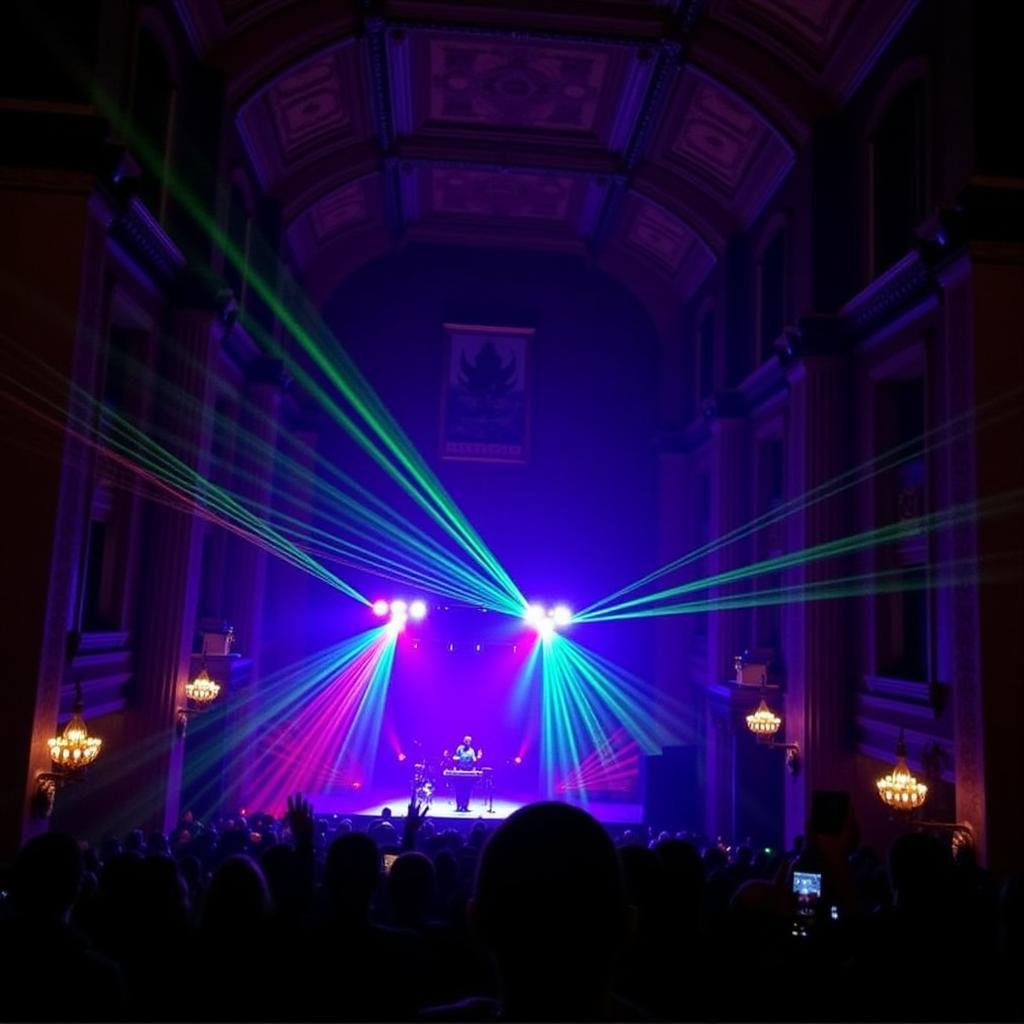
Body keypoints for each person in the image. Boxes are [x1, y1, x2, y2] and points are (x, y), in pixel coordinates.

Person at [453, 735, 482, 812]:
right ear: (463, 741)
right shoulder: (460, 748)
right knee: (459, 789)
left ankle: (465, 806)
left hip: (468, 771)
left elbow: (474, 760)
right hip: (460, 771)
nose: (467, 742)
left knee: (467, 790)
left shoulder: (471, 750)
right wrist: (457, 758)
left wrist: (478, 757)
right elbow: (455, 757)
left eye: (469, 741)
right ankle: (459, 806)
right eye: (466, 741)